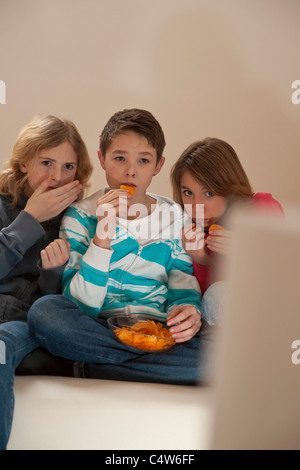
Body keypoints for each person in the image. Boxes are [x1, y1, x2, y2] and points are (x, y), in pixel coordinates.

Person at [26, 108, 216, 387]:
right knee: (44, 313)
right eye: (119, 158)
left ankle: (94, 367)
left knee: (220, 350)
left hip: (158, 333)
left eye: (143, 160)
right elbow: (82, 305)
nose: (130, 171)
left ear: (158, 165)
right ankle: (149, 369)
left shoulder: (176, 218)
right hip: (98, 326)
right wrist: (103, 233)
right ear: (102, 159)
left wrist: (188, 311)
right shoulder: (81, 216)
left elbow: (182, 289)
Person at [0, 114, 93, 449]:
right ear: (23, 163)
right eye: (47, 163)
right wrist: (28, 220)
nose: (57, 177)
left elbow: (59, 304)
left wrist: (52, 273)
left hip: (30, 327)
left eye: (68, 167)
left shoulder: (76, 219)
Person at [170, 137, 284, 325]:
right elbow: (206, 307)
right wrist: (203, 261)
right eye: (188, 193)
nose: (197, 207)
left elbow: (283, 277)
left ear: (229, 190)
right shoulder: (187, 232)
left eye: (209, 193)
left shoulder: (261, 209)